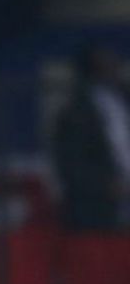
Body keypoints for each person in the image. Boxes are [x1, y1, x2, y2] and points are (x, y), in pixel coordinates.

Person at [52, 45, 130, 230]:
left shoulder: (124, 99)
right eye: (104, 66)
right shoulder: (75, 113)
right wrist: (107, 186)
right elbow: (72, 165)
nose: (114, 69)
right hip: (101, 209)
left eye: (115, 64)